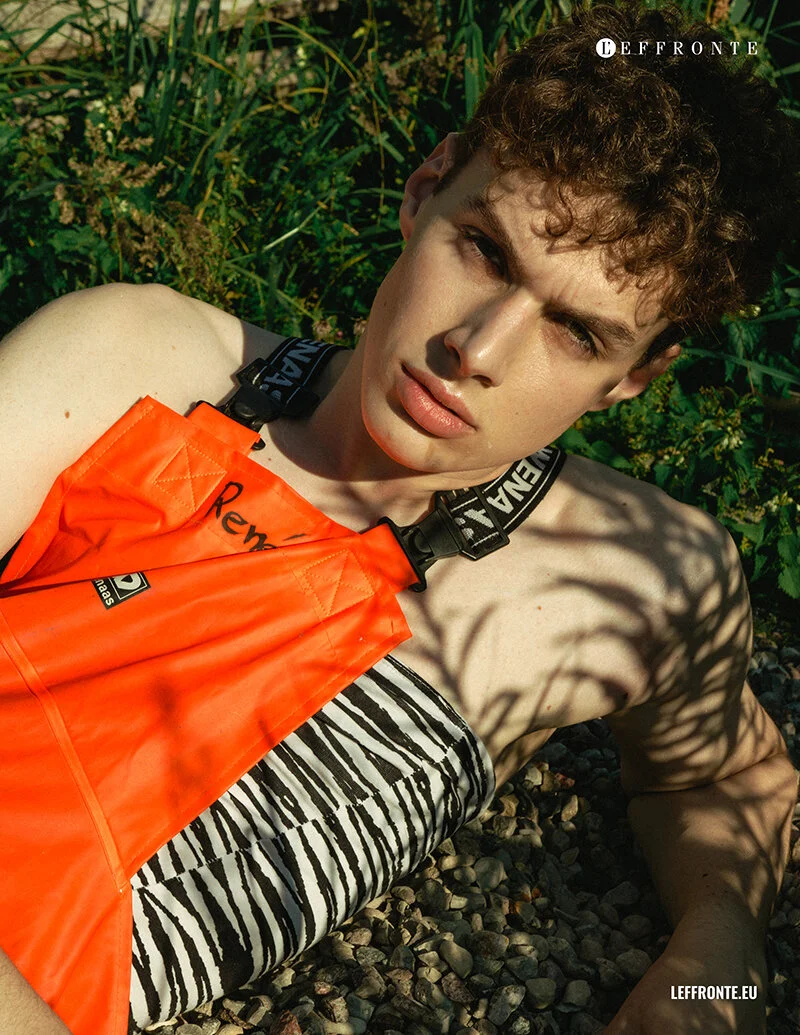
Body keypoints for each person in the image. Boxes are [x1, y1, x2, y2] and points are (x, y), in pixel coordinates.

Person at [1, 2, 798, 1033]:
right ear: (425, 189)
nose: (481, 349)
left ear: (636, 376)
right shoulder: (138, 359)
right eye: (487, 253)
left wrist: (714, 963)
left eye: (576, 332)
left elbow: (729, 778)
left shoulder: (634, 578)